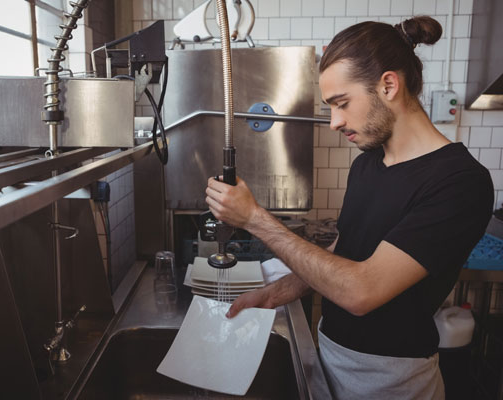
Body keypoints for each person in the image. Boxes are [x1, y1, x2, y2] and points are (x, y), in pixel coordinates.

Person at [205, 16, 494, 400]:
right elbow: (344, 254)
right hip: (328, 360)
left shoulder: (459, 181)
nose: (334, 122)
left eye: (342, 104)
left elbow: (362, 290)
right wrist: (276, 293)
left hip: (391, 383)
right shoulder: (367, 164)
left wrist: (255, 219)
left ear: (389, 85)